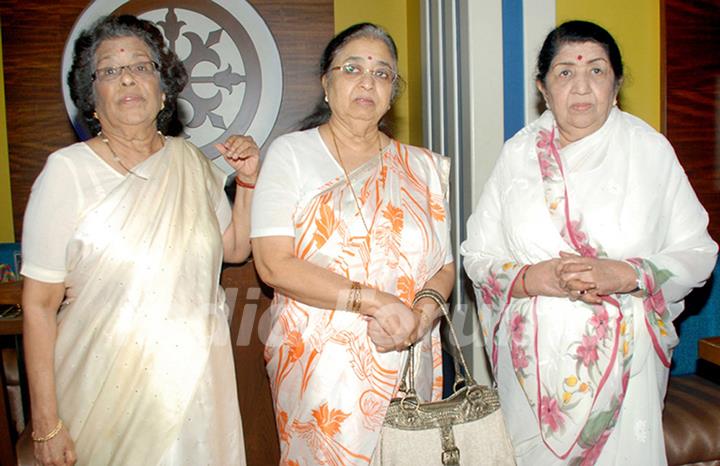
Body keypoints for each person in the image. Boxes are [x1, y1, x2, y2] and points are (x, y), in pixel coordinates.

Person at [461, 20, 717, 465]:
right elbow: (476, 256)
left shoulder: (649, 152)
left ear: (616, 85)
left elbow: (698, 252)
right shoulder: (518, 155)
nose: (581, 86)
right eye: (565, 72)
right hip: (532, 373)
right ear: (543, 88)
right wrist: (531, 278)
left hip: (626, 368)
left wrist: (627, 274)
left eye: (596, 71)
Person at [21, 15, 258, 465]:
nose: (127, 76)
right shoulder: (66, 173)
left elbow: (234, 249)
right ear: (92, 97)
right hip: (100, 392)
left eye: (142, 66)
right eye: (109, 69)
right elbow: (38, 305)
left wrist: (246, 184)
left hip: (195, 386)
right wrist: (46, 422)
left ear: (163, 88)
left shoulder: (191, 163)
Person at [251, 23, 454, 464]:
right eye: (352, 68)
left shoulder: (422, 168)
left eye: (383, 73)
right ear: (326, 83)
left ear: (393, 90)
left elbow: (445, 267)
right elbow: (273, 265)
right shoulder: (291, 154)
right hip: (319, 370)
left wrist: (419, 318)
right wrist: (377, 302)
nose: (368, 81)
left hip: (407, 353)